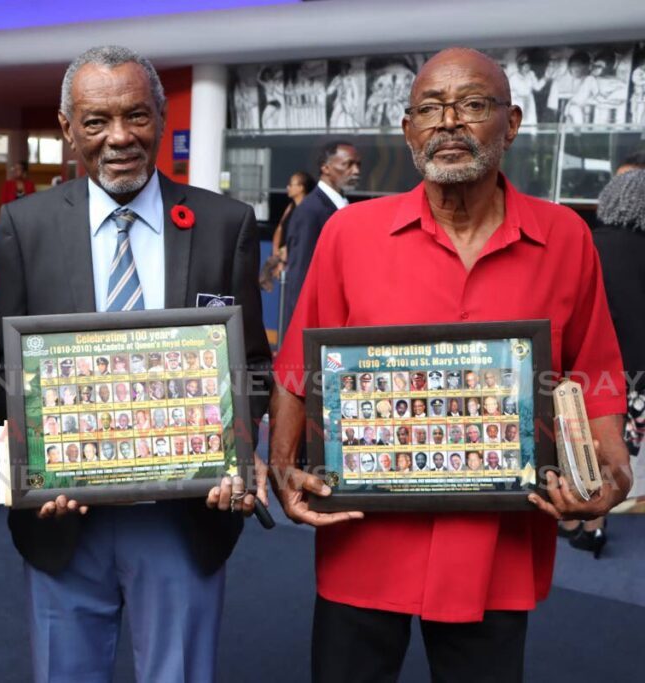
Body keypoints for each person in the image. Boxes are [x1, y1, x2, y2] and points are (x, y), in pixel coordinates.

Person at [268, 47, 630, 682]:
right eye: (429, 109)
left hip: (497, 544)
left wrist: (614, 470)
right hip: (363, 535)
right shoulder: (351, 234)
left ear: (512, 124)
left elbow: (595, 371)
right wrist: (282, 465)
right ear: (408, 130)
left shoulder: (566, 237)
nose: (449, 123)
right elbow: (299, 365)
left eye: (473, 105)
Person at [0, 45, 271, 683]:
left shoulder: (224, 222)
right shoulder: (24, 226)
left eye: (137, 116)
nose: (119, 138)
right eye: (96, 121)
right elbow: (1, 371)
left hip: (184, 515)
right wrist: (32, 462)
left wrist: (239, 449)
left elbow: (251, 362)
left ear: (162, 117)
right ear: (67, 129)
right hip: (64, 519)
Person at [566, 167, 645, 556]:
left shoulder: (588, 243)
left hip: (591, 363)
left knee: (579, 439)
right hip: (639, 369)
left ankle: (573, 516)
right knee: (619, 446)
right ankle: (596, 521)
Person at [281, 140, 362, 321]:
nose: (356, 171)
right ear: (325, 168)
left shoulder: (341, 204)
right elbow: (300, 274)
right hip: (317, 321)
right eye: (348, 164)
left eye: (358, 164)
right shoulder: (310, 210)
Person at [262, 171, 316, 290]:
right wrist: (276, 253)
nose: (288, 187)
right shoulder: (291, 206)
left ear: (301, 188)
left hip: (294, 261)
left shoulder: (308, 210)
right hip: (282, 258)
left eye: (291, 185)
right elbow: (280, 228)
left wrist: (283, 260)